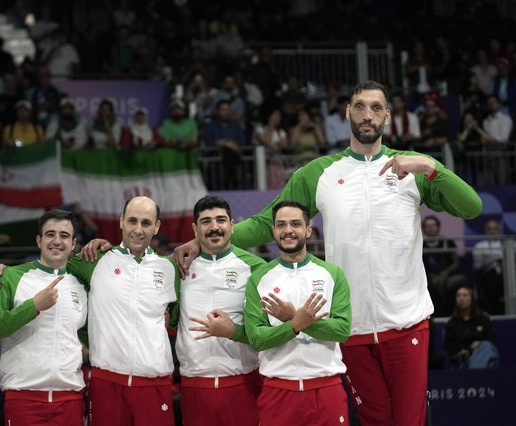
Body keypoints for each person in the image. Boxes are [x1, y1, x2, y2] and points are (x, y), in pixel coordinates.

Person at [175, 80, 483, 426]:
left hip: (406, 321)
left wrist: (431, 168)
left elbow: (471, 207)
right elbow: (266, 223)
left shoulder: (412, 167)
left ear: (387, 118)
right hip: (349, 328)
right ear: (347, 112)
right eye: (360, 107)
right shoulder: (319, 173)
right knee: (375, 420)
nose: (368, 115)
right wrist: (206, 240)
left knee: (409, 421)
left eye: (376, 108)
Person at [68, 196, 178, 426]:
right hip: (106, 382)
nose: (138, 230)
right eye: (132, 221)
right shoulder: (94, 260)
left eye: (146, 223)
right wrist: (4, 271)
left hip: (154, 384)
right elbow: (51, 266)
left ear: (157, 226)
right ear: (121, 221)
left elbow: (176, 317)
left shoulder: (168, 268)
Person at [244, 200, 351, 425]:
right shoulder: (259, 278)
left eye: (295, 224)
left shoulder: (332, 274)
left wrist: (296, 319)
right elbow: (256, 338)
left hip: (325, 388)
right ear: (274, 231)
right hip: (278, 390)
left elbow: (342, 330)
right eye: (281, 225)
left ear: (308, 230)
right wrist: (294, 325)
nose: (288, 230)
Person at [0, 210, 88, 425]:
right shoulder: (10, 276)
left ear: (73, 243)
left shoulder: (82, 285)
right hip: (23, 399)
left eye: (64, 236)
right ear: (39, 240)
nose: (57, 241)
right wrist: (33, 307)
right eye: (50, 234)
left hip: (70, 401)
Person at [175, 195, 266, 426]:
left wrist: (234, 330)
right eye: (206, 222)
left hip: (244, 383)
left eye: (221, 220)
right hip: (194, 386)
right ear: (194, 229)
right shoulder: (178, 267)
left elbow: (266, 330)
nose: (214, 227)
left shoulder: (255, 267)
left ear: (232, 225)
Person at [443, 286, 499, 369]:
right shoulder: (451, 323)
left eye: (465, 295)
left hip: (484, 353)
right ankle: (477, 377)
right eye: (458, 295)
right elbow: (449, 348)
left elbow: (493, 340)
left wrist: (479, 344)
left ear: (472, 299)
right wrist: (469, 349)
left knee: (486, 347)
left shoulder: (484, 319)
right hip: (462, 360)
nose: (461, 298)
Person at [422, 215, 466, 316]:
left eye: (433, 225)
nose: (430, 228)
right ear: (423, 229)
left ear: (438, 227)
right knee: (433, 285)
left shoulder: (448, 242)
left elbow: (455, 262)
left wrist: (445, 272)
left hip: (448, 277)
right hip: (427, 279)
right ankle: (434, 314)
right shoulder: (420, 244)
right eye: (427, 226)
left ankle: (449, 313)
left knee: (457, 281)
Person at [472, 218, 504, 314]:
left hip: (508, 275)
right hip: (489, 276)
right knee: (493, 283)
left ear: (499, 230)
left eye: (495, 229)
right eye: (490, 229)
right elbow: (477, 267)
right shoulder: (479, 246)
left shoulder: (510, 244)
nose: (492, 231)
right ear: (486, 231)